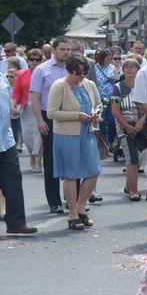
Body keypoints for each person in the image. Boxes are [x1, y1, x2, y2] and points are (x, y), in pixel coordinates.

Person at [46, 54, 102, 230]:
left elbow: (99, 104)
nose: (82, 76)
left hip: (88, 132)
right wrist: (77, 116)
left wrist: (96, 113)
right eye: (78, 72)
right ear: (69, 71)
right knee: (71, 174)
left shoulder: (89, 84)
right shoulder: (59, 86)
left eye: (85, 72)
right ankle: (72, 213)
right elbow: (52, 113)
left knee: (93, 171)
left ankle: (80, 207)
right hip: (67, 136)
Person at [31, 36, 72, 214]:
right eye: (63, 49)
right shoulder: (42, 70)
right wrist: (40, 120)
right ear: (54, 50)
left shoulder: (73, 68)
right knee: (51, 161)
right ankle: (54, 201)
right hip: (49, 117)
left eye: (68, 49)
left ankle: (72, 201)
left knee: (72, 160)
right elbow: (35, 97)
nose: (66, 52)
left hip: (70, 117)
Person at [0, 71, 36, 234]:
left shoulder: (1, 77)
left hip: (5, 139)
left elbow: (5, 108)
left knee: (13, 179)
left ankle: (15, 222)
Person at [111, 58, 146, 202]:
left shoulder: (143, 86)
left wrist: (141, 123)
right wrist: (126, 126)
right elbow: (115, 110)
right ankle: (134, 191)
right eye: (126, 67)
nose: (129, 69)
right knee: (132, 157)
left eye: (133, 67)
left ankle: (128, 185)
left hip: (142, 126)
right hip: (124, 127)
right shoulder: (118, 87)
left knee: (138, 157)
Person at [12, 48, 43, 171]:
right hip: (26, 109)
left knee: (39, 134)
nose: (35, 62)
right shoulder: (21, 74)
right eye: (32, 59)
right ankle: (31, 152)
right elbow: (16, 92)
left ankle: (38, 161)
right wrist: (13, 106)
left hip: (41, 108)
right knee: (28, 136)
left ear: (41, 61)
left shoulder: (43, 73)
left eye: (38, 59)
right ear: (28, 60)